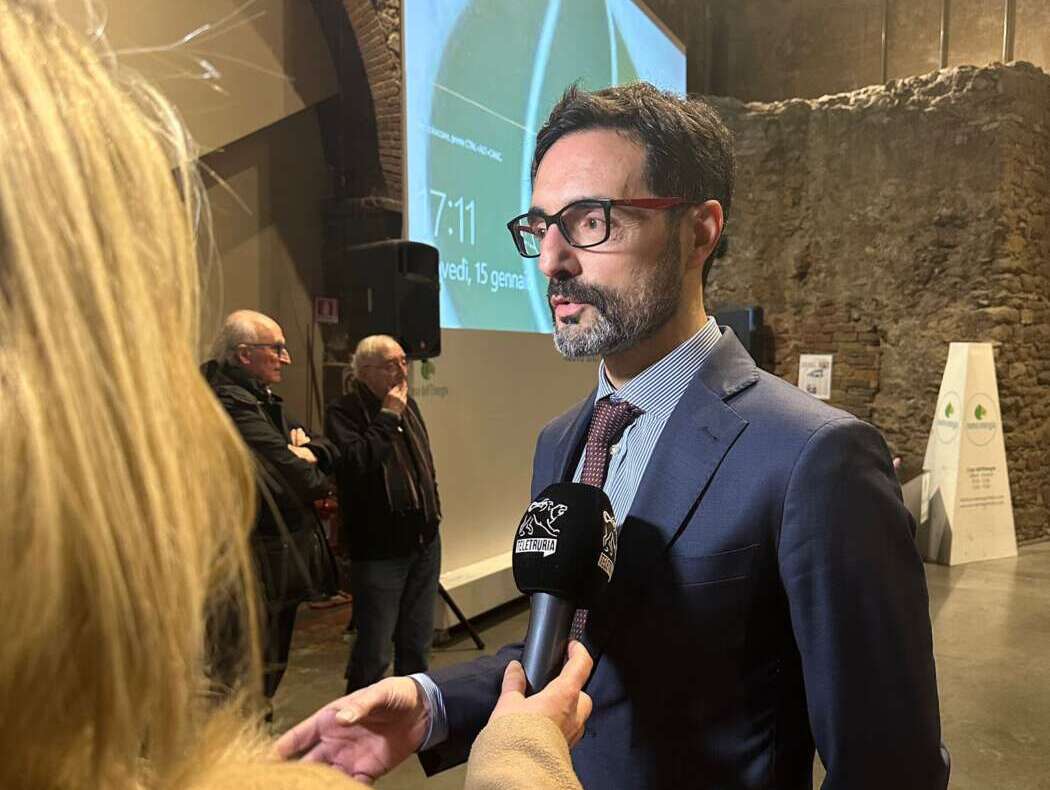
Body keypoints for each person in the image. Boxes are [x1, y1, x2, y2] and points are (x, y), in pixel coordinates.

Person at [280, 82, 950, 789]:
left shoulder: (815, 457)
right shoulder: (562, 441)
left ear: (700, 231)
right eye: (541, 227)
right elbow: (571, 653)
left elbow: (889, 768)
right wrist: (431, 704)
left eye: (591, 221)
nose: (551, 262)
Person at [0, 3, 589, 787]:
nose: (284, 358)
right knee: (314, 663)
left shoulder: (342, 406)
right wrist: (521, 759)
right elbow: (321, 469)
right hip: (359, 558)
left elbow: (342, 464)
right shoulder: (344, 410)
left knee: (371, 656)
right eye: (273, 349)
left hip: (411, 544)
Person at [203, 309, 341, 700]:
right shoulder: (228, 402)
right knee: (241, 677)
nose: (286, 358)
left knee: (267, 671)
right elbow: (302, 479)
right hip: (251, 562)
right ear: (244, 354)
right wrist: (303, 462)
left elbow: (326, 448)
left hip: (276, 563)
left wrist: (309, 453)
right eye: (276, 348)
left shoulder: (262, 399)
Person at [325, 335, 442, 692]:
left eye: (404, 361)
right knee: (374, 651)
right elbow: (357, 462)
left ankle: (409, 714)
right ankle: (360, 719)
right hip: (379, 551)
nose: (402, 371)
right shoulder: (343, 412)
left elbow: (422, 465)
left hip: (424, 541)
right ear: (364, 372)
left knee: (417, 645)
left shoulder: (409, 405)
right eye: (391, 365)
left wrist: (434, 511)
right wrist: (388, 415)